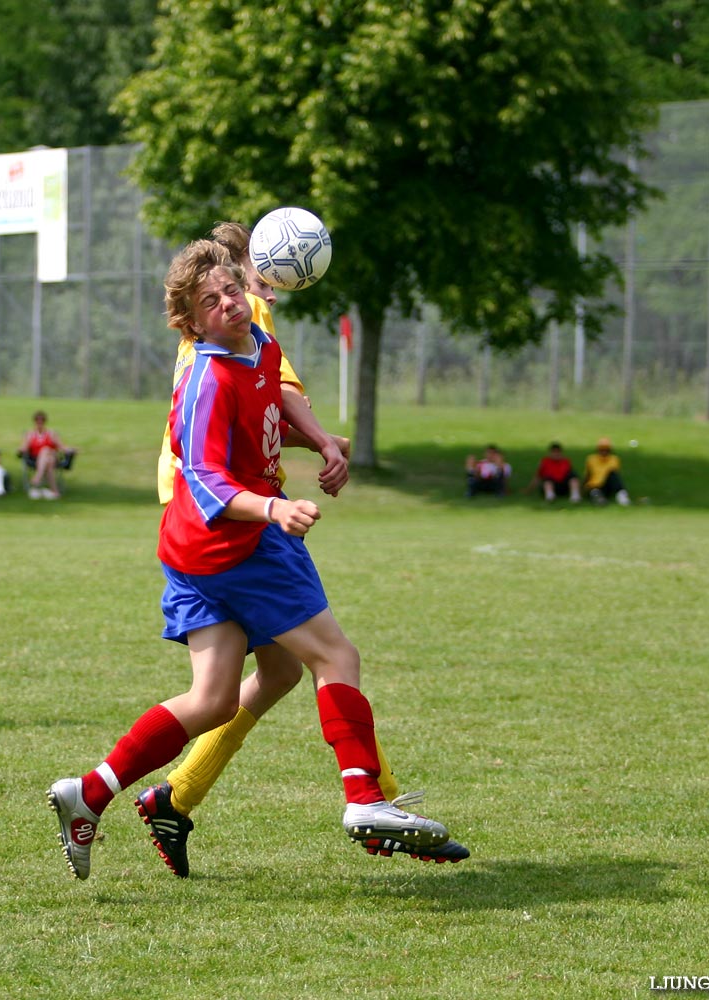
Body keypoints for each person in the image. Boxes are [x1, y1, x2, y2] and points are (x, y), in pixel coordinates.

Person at [46, 239, 464, 881]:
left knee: (216, 698)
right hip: (236, 544)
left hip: (191, 551)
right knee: (335, 656)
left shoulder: (259, 345)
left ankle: (91, 792)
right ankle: (365, 800)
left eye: (231, 290)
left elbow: (276, 397)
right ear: (191, 324)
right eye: (211, 302)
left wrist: (322, 439)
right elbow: (207, 476)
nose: (229, 304)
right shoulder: (207, 379)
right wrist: (275, 510)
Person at [21, 410, 70, 500]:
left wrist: (71, 449)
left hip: (53, 455)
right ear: (34, 421)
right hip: (38, 459)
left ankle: (38, 477)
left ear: (44, 421)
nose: (39, 422)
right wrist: (22, 449)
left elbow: (61, 446)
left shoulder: (51, 433)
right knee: (49, 462)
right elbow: (24, 447)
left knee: (46, 449)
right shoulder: (30, 434)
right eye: (37, 420)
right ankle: (55, 491)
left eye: (42, 420)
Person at [584, 437, 632, 506]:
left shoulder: (614, 459)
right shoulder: (591, 459)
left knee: (613, 473)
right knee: (594, 491)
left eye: (606, 449)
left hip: (606, 485)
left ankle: (621, 495)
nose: (604, 451)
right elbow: (587, 475)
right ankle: (599, 499)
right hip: (594, 486)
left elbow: (614, 474)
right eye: (602, 449)